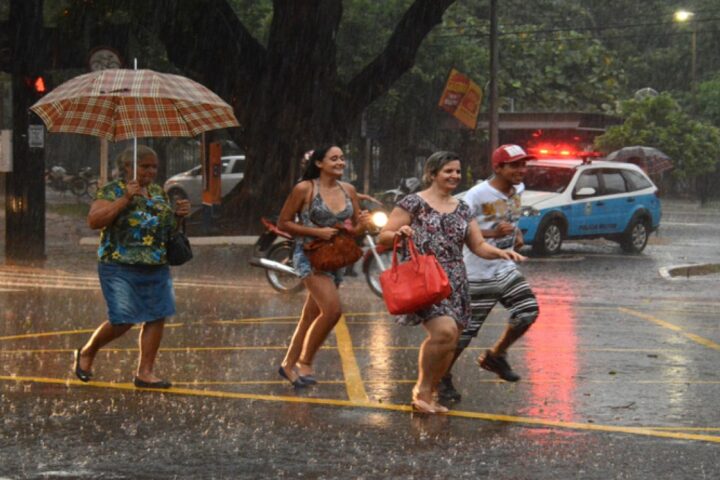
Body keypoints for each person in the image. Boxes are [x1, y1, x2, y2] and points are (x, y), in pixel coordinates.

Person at [378, 151, 525, 413]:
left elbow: (478, 245)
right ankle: (422, 392)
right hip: (426, 278)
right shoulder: (413, 203)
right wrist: (399, 232)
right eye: (448, 171)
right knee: (444, 332)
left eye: (457, 171)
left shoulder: (463, 208)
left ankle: (432, 393)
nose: (454, 176)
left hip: (455, 281)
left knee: (452, 340)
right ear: (432, 174)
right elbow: (384, 235)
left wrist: (501, 252)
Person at [73, 145, 191, 389]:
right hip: (119, 265)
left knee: (157, 315)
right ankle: (88, 351)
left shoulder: (158, 193)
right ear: (128, 167)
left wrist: (178, 217)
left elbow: (166, 230)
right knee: (123, 319)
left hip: (155, 264)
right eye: (145, 166)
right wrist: (125, 198)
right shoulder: (112, 190)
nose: (151, 171)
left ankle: (145, 372)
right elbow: (95, 221)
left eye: (154, 167)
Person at [438, 144, 540, 404]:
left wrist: (516, 233)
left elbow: (511, 218)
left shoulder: (518, 189)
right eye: (515, 165)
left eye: (523, 165)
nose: (521, 170)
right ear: (498, 168)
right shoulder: (476, 195)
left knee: (527, 311)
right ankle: (441, 377)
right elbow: (455, 228)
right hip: (476, 272)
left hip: (505, 267)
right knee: (464, 334)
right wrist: (493, 234)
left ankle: (496, 356)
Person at [277, 144, 370, 388]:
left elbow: (355, 229)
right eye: (334, 158)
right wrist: (316, 231)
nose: (340, 163)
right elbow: (284, 222)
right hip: (310, 256)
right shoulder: (305, 189)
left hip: (336, 258)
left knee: (310, 316)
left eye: (342, 158)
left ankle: (287, 365)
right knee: (332, 311)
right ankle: (305, 362)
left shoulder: (348, 189)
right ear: (319, 163)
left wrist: (364, 224)